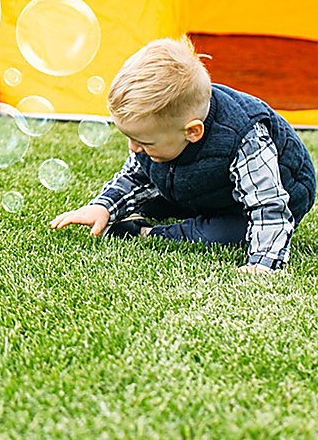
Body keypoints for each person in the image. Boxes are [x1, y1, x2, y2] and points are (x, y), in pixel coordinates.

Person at [50, 36, 315, 273]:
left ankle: (147, 233)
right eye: (129, 138)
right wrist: (102, 206)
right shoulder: (163, 134)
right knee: (148, 195)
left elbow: (268, 205)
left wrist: (263, 264)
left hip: (271, 195)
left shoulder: (243, 137)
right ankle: (150, 212)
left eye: (142, 141)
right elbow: (135, 175)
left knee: (225, 232)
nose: (133, 148)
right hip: (205, 185)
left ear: (192, 132)